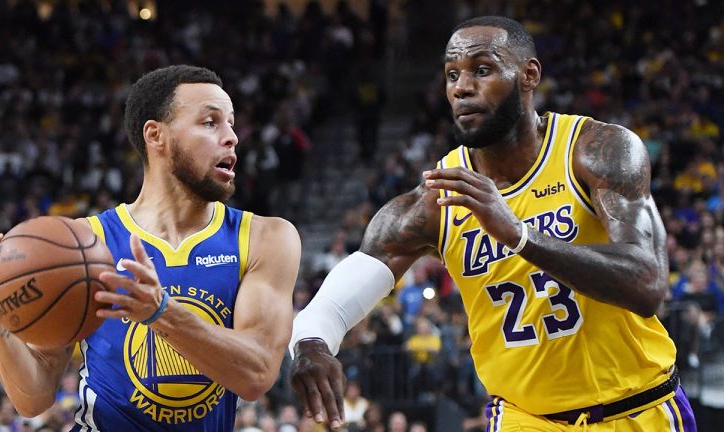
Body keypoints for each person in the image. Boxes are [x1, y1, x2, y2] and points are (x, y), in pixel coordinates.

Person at [289, 16, 697, 431]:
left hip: (638, 408)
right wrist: (310, 343)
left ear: (528, 74)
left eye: (482, 70)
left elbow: (647, 284)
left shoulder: (595, 151)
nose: (462, 88)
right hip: (526, 418)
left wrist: (520, 236)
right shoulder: (436, 199)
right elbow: (331, 308)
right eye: (452, 75)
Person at [0, 65, 301, 431]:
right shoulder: (85, 245)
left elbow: (256, 374)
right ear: (155, 135)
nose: (232, 137)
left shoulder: (264, 238)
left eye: (231, 123)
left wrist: (160, 312)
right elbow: (33, 399)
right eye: (210, 122)